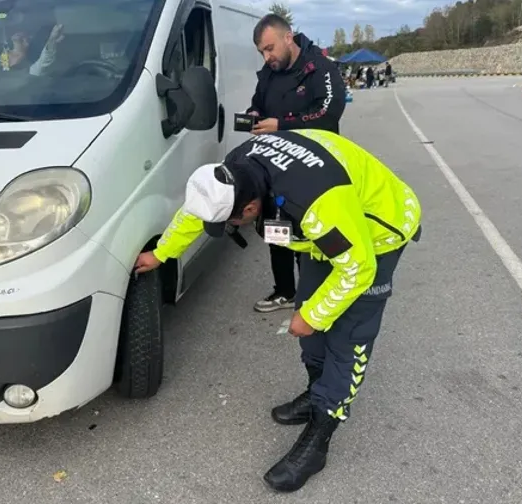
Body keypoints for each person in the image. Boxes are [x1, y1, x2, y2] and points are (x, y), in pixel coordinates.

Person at [134, 128, 422, 493]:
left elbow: (356, 266)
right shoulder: (236, 168)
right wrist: (161, 253)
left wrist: (314, 316)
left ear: (251, 208)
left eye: (230, 223)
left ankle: (320, 433)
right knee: (309, 319)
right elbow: (197, 213)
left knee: (347, 336)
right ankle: (316, 391)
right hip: (332, 232)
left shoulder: (314, 204)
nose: (227, 227)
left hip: (376, 234)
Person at [244, 14, 347, 315]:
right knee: (276, 229)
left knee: (312, 230)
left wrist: (282, 125)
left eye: (270, 48)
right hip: (275, 165)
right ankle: (285, 290)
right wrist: (253, 113)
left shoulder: (321, 69)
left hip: (314, 166)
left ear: (288, 37)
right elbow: (258, 101)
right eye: (262, 51)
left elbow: (328, 116)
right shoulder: (269, 72)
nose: (268, 56)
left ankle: (314, 291)